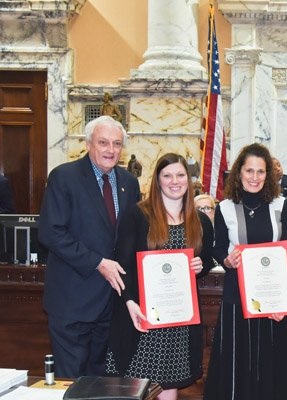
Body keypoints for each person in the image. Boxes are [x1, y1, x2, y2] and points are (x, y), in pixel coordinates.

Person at [38, 115, 141, 378]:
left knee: (101, 384)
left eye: (117, 144)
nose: (111, 150)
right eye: (103, 142)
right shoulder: (64, 177)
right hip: (72, 302)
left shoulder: (129, 183)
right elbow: (51, 233)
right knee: (71, 382)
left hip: (111, 304)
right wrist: (98, 263)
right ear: (88, 144)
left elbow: (134, 237)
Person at [105, 153, 214, 400]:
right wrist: (130, 302)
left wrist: (200, 265)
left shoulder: (200, 222)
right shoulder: (138, 216)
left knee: (168, 385)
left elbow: (206, 259)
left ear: (189, 179)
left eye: (180, 175)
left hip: (177, 319)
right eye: (167, 175)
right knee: (132, 387)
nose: (174, 181)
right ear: (158, 180)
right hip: (141, 316)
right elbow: (124, 265)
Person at [203, 143, 287, 400]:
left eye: (260, 171)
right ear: (239, 173)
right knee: (238, 361)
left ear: (268, 175)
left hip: (273, 297)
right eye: (249, 171)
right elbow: (218, 247)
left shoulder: (281, 206)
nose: (254, 177)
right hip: (238, 295)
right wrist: (227, 260)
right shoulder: (224, 208)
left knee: (271, 360)